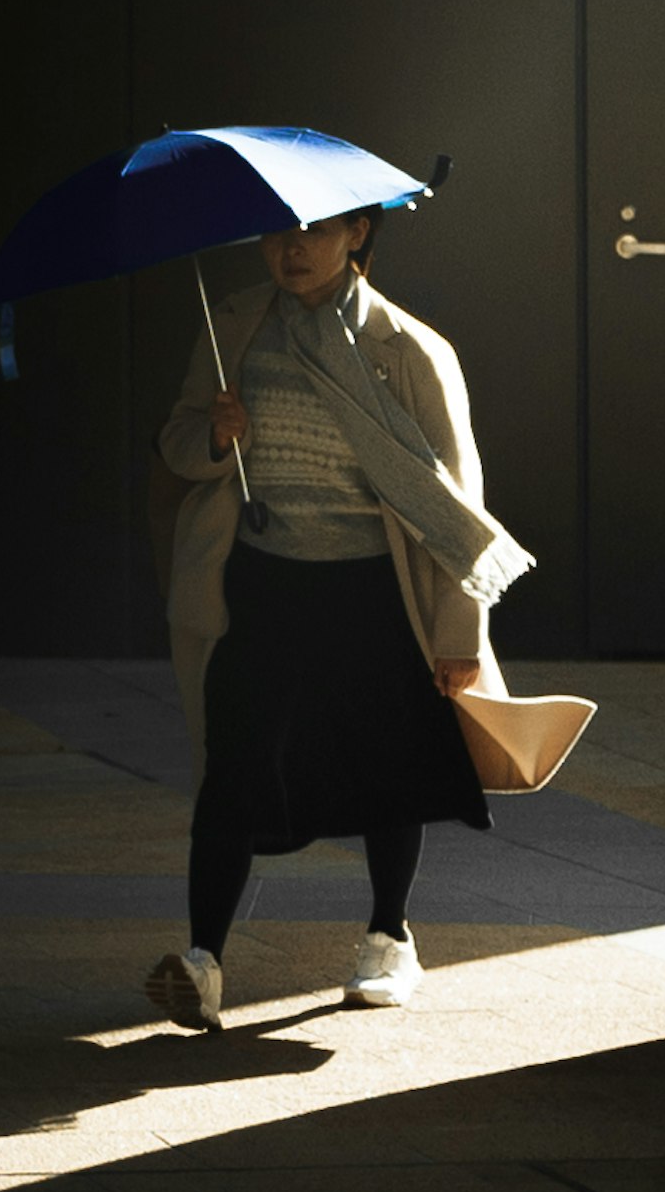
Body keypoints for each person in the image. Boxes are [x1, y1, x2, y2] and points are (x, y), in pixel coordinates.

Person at [143, 209, 535, 1031]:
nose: (292, 249)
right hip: (263, 581)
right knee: (234, 767)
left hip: (375, 588)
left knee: (387, 766)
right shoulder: (235, 327)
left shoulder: (411, 350)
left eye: (316, 231)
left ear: (358, 236)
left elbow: (456, 503)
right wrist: (215, 439)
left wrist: (461, 636)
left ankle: (389, 939)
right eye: (276, 233)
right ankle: (203, 961)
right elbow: (176, 445)